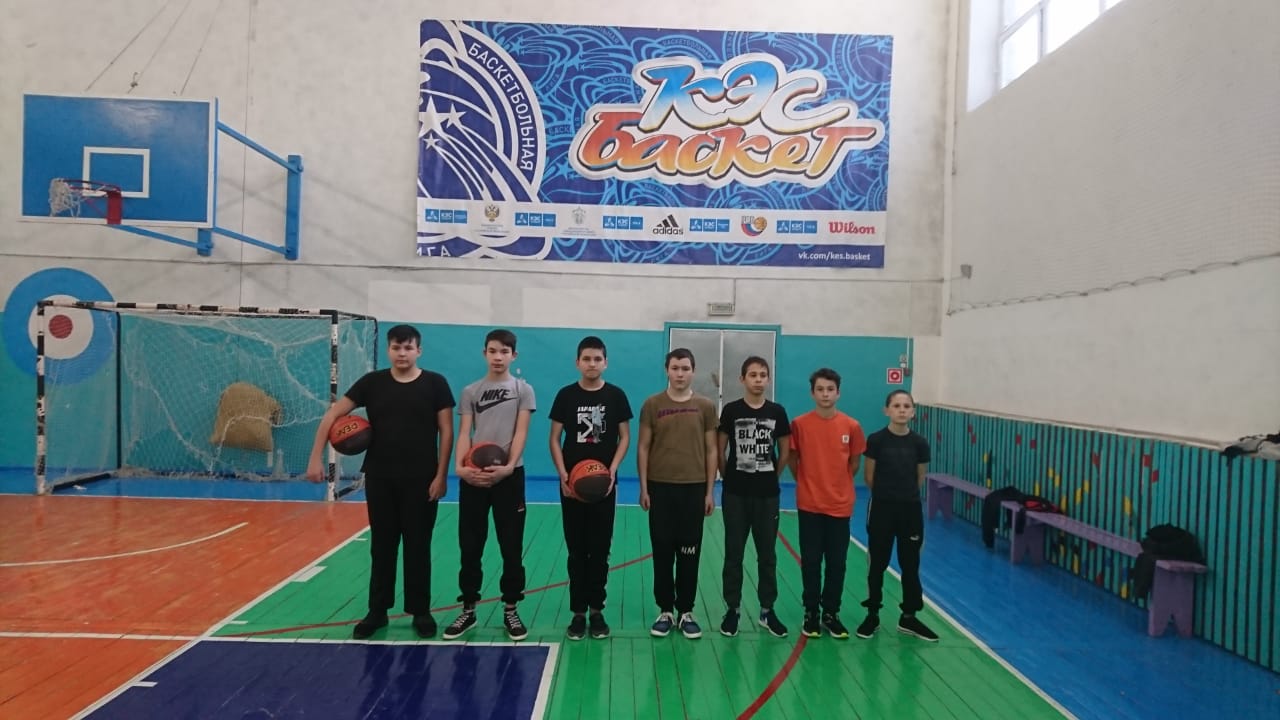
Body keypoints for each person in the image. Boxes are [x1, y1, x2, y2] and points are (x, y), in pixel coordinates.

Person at [305, 324, 455, 640]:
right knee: (382, 546)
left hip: (422, 479)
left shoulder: (435, 383)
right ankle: (377, 610)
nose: (402, 353)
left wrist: (441, 475)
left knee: (418, 546)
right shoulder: (372, 383)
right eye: (396, 348)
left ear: (418, 351)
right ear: (388, 350)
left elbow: (447, 432)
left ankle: (421, 610)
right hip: (380, 478)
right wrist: (315, 457)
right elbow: (332, 415)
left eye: (408, 347)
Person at [442, 329, 536, 641]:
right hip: (474, 477)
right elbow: (465, 432)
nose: (498, 357)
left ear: (514, 356)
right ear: (485, 353)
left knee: (511, 546)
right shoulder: (471, 391)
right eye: (493, 351)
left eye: (504, 352)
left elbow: (521, 432)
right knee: (470, 545)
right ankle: (468, 609)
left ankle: (511, 608)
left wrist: (508, 467)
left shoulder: (523, 390)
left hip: (509, 478)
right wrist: (460, 468)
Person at [548, 336, 633, 640]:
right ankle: (578, 613)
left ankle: (596, 610)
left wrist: (612, 470)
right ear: (577, 362)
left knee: (599, 550)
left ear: (605, 363)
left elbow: (625, 437)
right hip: (572, 485)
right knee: (576, 550)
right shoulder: (566, 395)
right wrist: (563, 474)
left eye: (597, 359)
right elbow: (554, 439)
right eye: (587, 359)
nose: (592, 364)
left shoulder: (616, 396)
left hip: (603, 486)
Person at [638, 348, 717, 639]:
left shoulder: (705, 406)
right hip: (660, 487)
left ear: (693, 371)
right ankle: (665, 610)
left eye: (685, 368)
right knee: (662, 551)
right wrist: (644, 487)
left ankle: (686, 611)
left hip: (693, 489)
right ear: (667, 370)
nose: (680, 374)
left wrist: (709, 491)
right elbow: (643, 447)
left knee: (689, 552)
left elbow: (712, 450)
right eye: (675, 368)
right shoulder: (652, 404)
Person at [788, 368, 865, 639]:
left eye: (830, 389)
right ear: (812, 393)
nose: (825, 394)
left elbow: (854, 463)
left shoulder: (851, 426)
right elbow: (793, 459)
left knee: (836, 563)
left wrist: (837, 485)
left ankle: (831, 613)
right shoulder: (799, 424)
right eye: (820, 389)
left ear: (838, 393)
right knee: (810, 561)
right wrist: (809, 483)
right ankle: (811, 612)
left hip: (839, 506)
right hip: (809, 504)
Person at [717, 356, 791, 638]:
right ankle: (732, 609)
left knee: (767, 555)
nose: (758, 379)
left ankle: (767, 610)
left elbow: (784, 450)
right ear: (742, 379)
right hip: (735, 494)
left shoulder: (777, 411)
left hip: (767, 496)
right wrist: (727, 477)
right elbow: (720, 448)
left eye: (763, 375)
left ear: (768, 379)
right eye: (753, 375)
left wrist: (772, 475)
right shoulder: (731, 410)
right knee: (733, 554)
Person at [856, 389, 939, 641]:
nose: (902, 410)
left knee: (910, 565)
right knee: (877, 564)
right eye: (896, 405)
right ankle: (872, 614)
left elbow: (920, 476)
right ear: (887, 410)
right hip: (882, 509)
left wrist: (905, 496)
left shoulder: (920, 443)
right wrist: (887, 496)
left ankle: (909, 617)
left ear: (913, 412)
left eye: (906, 406)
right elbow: (869, 476)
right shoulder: (876, 440)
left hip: (910, 511)